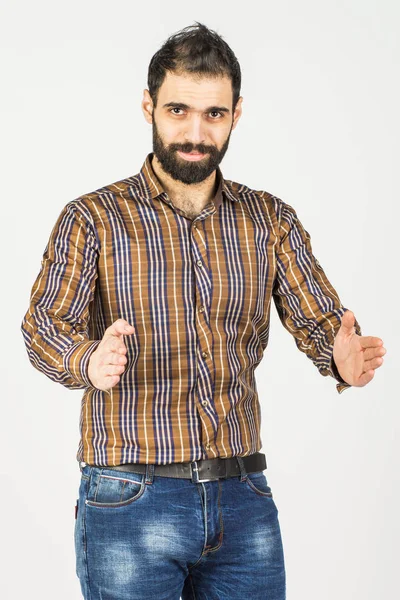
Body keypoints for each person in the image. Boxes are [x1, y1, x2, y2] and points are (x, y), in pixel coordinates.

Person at [20, 21, 386, 600]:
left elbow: (321, 322)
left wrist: (340, 359)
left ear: (236, 113)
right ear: (149, 106)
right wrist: (87, 359)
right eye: (178, 110)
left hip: (243, 497)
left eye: (213, 114)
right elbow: (42, 325)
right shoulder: (93, 218)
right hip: (130, 497)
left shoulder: (270, 219)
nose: (195, 131)